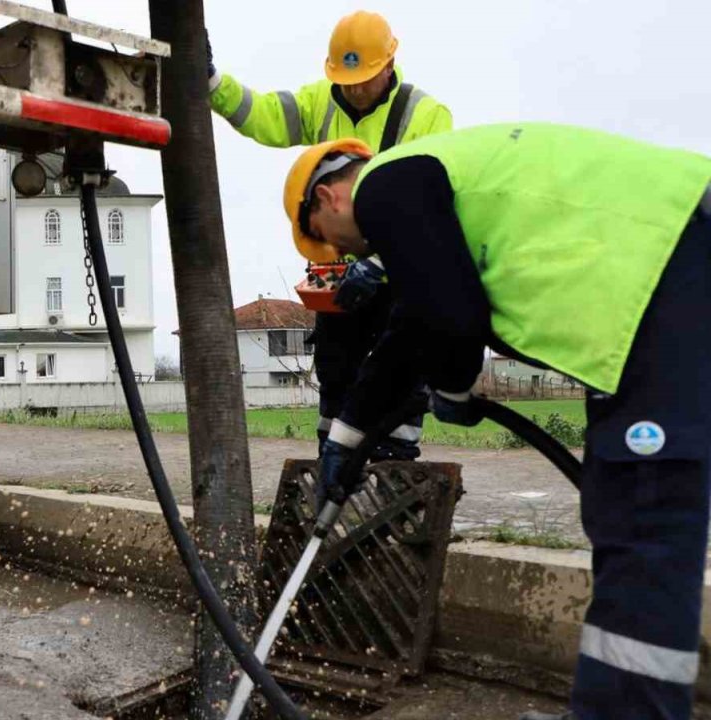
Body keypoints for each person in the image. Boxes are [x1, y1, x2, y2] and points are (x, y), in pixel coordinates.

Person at [284, 124, 711, 720]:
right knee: (627, 506)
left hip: (668, 261)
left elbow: (452, 320)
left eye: (329, 244)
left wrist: (455, 385)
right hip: (658, 271)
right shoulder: (436, 190)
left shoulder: (386, 185)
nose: (347, 257)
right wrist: (346, 439)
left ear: (326, 199)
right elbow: (411, 331)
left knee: (646, 508)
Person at [207, 10, 453, 460]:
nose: (356, 89)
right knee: (337, 373)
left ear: (389, 65)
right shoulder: (320, 101)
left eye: (366, 78)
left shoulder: (426, 116)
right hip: (336, 277)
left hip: (396, 275)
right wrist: (212, 82)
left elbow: (430, 209)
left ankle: (393, 467)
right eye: (348, 79)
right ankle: (334, 457)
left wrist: (378, 263)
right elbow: (263, 115)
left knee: (397, 368)